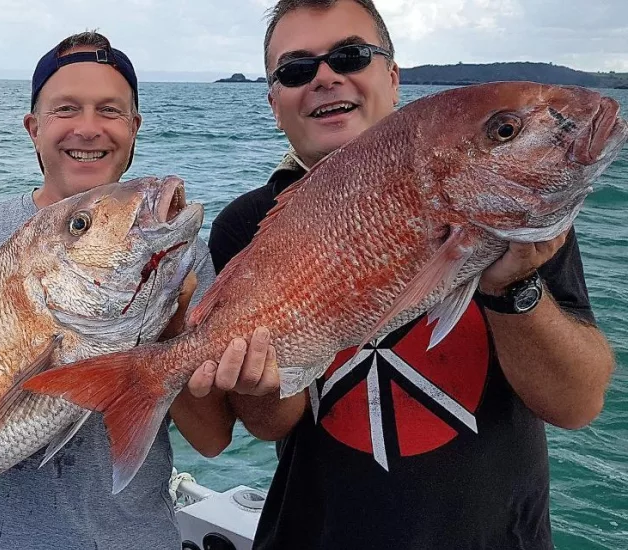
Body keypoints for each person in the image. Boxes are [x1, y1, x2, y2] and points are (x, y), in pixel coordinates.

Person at [190, 1, 616, 548]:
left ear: (392, 79)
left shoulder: (512, 203)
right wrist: (252, 382)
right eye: (296, 69)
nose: (324, 77)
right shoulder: (247, 226)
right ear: (275, 104)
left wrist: (515, 287)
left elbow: (578, 405)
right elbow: (274, 424)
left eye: (351, 56)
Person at [0, 31, 220, 549]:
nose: (88, 128)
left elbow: (212, 438)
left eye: (110, 110)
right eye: (66, 109)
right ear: (33, 128)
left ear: (134, 128)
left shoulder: (182, 256)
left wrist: (172, 335)